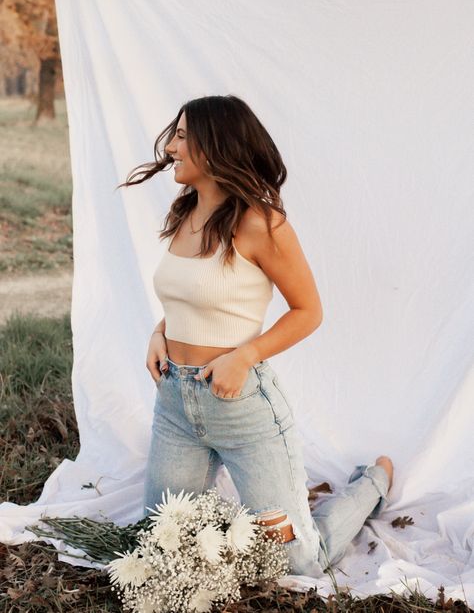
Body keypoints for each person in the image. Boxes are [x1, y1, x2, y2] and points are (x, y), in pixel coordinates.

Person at [118, 94, 394, 577]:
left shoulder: (262, 223)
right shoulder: (185, 214)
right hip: (176, 405)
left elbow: (309, 311)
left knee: (299, 558)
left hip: (242, 407)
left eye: (183, 136)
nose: (171, 146)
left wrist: (245, 355)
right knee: (161, 548)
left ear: (216, 145)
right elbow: (190, 298)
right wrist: (159, 332)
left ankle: (373, 481)